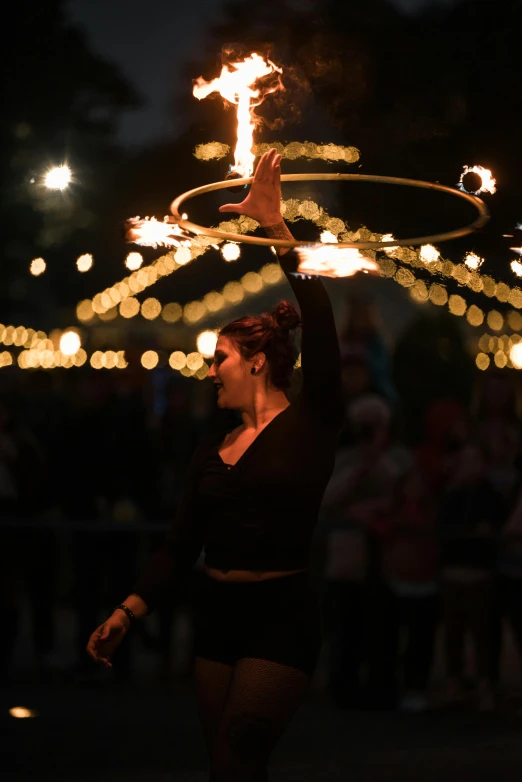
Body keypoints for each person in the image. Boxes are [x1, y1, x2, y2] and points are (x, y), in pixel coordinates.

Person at [87, 148, 344, 781]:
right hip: (217, 617)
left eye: (218, 358)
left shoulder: (311, 425)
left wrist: (274, 229)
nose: (208, 372)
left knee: (239, 753)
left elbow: (321, 317)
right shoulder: (212, 447)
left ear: (257, 361)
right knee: (223, 768)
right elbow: (180, 546)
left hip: (282, 617)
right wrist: (127, 611)